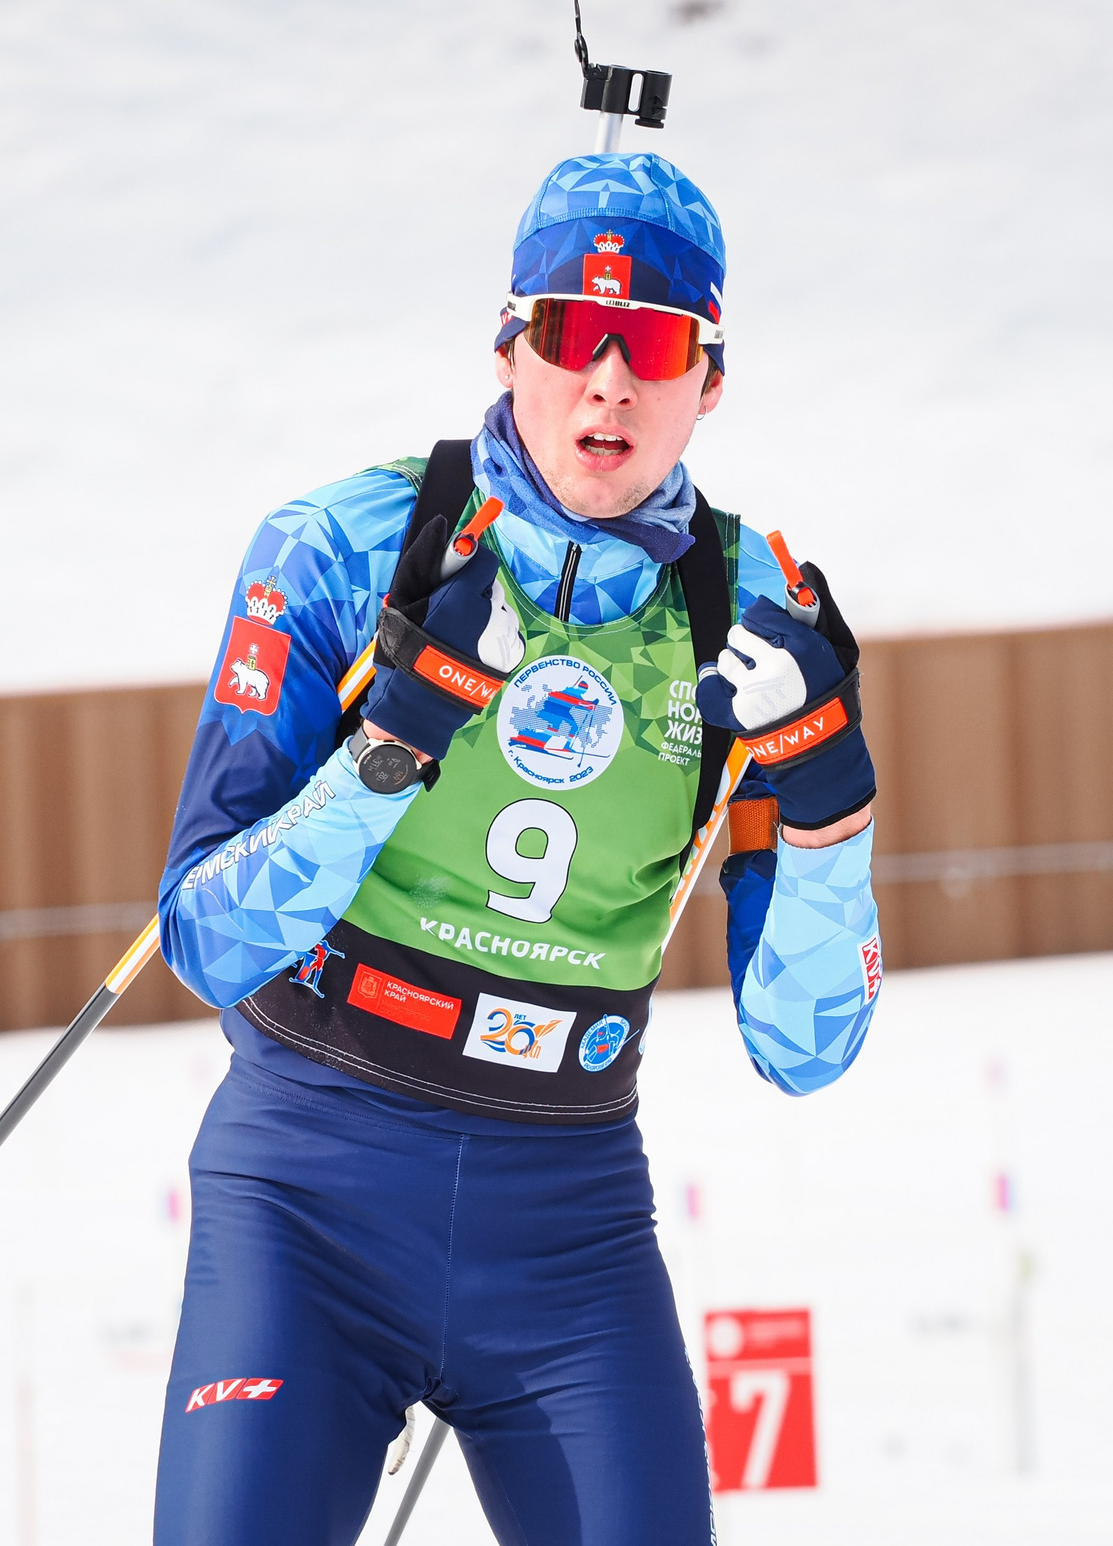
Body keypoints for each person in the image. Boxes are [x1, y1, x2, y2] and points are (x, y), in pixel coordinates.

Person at [149, 149, 882, 1546]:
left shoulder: (752, 601)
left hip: (565, 1223)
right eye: (569, 332)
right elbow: (205, 938)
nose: (607, 381)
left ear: (708, 381)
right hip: (316, 1181)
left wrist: (834, 798)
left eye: (653, 343)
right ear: (509, 344)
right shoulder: (353, 546)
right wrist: (396, 739)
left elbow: (808, 1048)